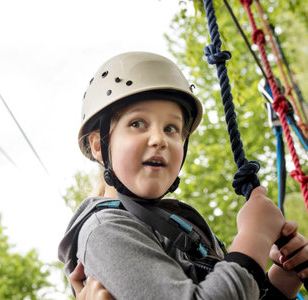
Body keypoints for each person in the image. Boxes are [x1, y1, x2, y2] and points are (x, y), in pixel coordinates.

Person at [58, 51, 308, 299]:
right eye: (137, 123)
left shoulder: (174, 228)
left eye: (171, 128)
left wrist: (283, 281)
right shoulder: (106, 232)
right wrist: (254, 238)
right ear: (99, 146)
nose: (159, 139)